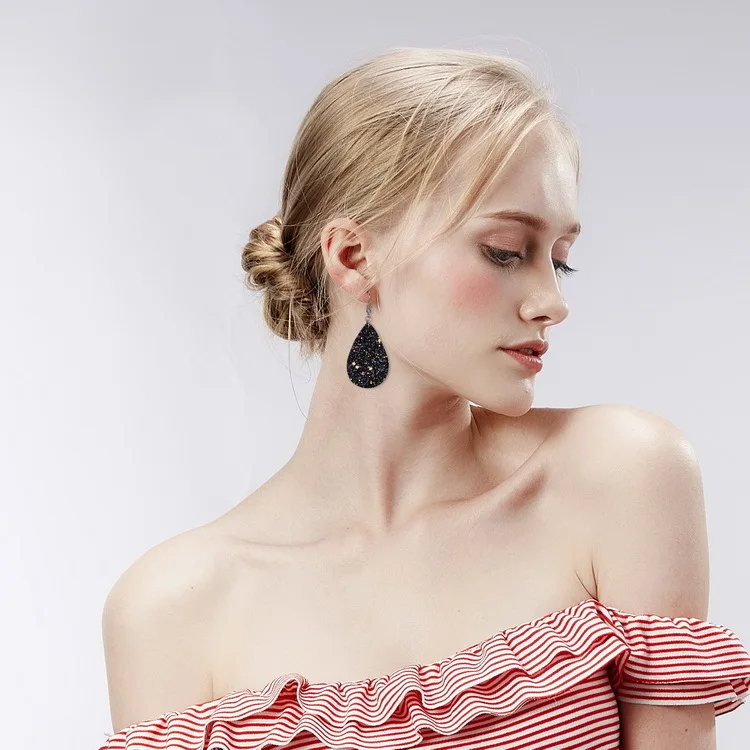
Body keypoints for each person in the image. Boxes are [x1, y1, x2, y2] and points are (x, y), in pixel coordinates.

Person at [97, 47, 750, 750]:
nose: (552, 302)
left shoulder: (618, 475)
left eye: (560, 260)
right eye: (505, 251)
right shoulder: (172, 609)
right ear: (354, 258)